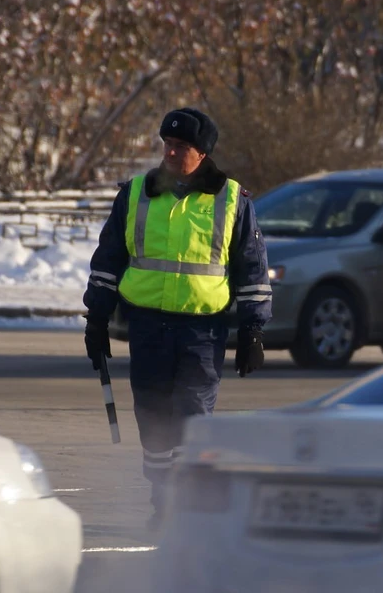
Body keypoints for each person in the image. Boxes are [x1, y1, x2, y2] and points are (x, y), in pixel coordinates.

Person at [82, 107, 271, 530]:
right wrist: (96, 318)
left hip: (202, 330)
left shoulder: (232, 200)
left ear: (202, 153)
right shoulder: (135, 194)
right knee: (152, 416)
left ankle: (188, 505)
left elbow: (251, 268)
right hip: (147, 326)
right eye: (167, 144)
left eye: (180, 147)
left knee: (191, 417)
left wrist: (253, 329)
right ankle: (162, 498)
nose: (170, 153)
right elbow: (109, 259)